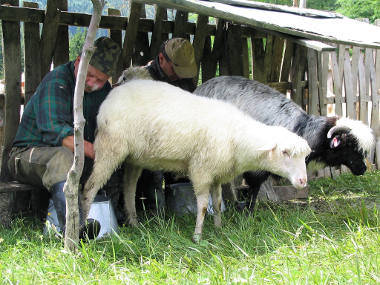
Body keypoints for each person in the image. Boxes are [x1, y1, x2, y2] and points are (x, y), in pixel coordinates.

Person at [7, 37, 121, 239]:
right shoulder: (57, 81)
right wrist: (100, 153)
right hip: (26, 155)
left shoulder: (104, 92)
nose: (92, 83)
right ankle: (74, 232)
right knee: (63, 156)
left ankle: (117, 218)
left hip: (74, 156)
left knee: (116, 159)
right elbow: (55, 133)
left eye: (100, 80)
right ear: (79, 61)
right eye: (90, 74)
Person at [135, 38, 198, 213]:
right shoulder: (140, 79)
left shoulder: (185, 80)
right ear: (161, 59)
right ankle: (152, 214)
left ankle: (184, 209)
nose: (180, 74)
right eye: (176, 69)